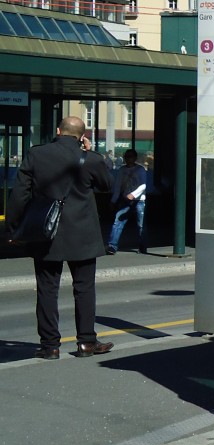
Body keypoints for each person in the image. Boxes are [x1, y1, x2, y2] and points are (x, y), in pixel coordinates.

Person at [7, 116, 113, 359]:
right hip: (83, 234)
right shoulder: (91, 159)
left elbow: (19, 195)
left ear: (58, 131)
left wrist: (14, 229)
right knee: (84, 288)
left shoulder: (36, 154)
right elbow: (107, 184)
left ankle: (50, 346)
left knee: (46, 289)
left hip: (46, 233)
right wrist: (93, 153)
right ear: (82, 136)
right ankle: (86, 343)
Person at [107, 148, 148, 255]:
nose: (128, 159)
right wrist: (113, 200)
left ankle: (142, 245)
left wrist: (133, 195)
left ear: (135, 158)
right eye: (126, 157)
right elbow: (118, 186)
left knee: (140, 224)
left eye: (130, 157)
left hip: (139, 201)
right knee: (118, 222)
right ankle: (112, 245)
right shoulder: (121, 170)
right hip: (125, 200)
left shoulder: (140, 170)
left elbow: (143, 185)